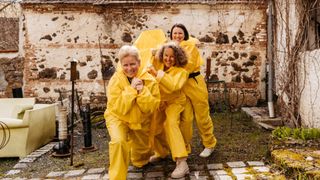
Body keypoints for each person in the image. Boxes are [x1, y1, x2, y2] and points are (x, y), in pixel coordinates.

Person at [104, 45, 160, 180]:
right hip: (118, 117)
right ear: (121, 65)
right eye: (125, 65)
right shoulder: (115, 81)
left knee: (141, 155)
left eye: (133, 64)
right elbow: (119, 108)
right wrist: (131, 90)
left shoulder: (150, 80)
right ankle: (117, 177)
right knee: (119, 142)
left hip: (139, 119)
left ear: (139, 63)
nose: (129, 68)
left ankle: (140, 161)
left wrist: (142, 92)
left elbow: (151, 108)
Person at [170, 23, 217, 158]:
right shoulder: (170, 47)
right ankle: (185, 147)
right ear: (171, 35)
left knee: (202, 116)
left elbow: (187, 65)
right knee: (185, 118)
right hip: (181, 85)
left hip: (195, 83)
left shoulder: (190, 46)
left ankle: (209, 143)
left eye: (180, 33)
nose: (177, 35)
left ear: (185, 34)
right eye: (175, 33)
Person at [148, 42, 191, 178]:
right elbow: (152, 53)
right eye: (166, 55)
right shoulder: (161, 66)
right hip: (161, 102)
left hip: (176, 102)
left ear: (178, 57)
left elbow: (173, 86)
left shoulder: (182, 72)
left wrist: (156, 73)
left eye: (172, 57)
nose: (168, 59)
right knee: (154, 127)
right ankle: (161, 152)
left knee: (170, 123)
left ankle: (182, 162)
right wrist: (153, 51)